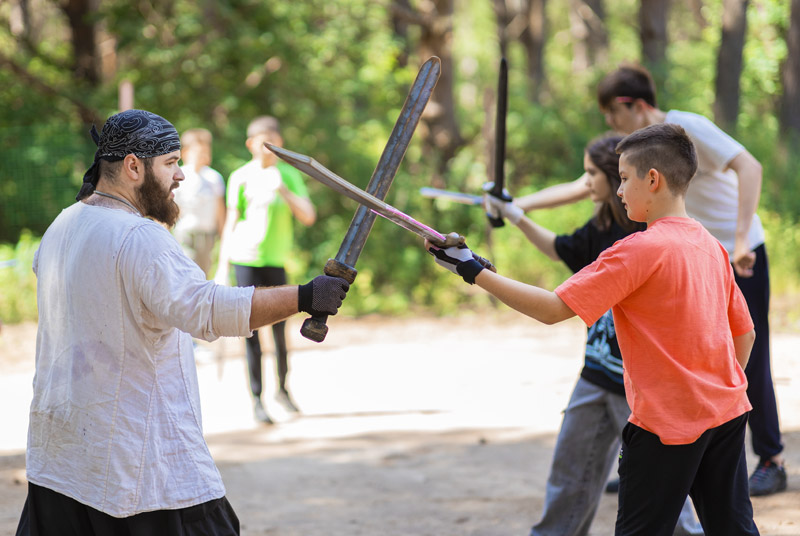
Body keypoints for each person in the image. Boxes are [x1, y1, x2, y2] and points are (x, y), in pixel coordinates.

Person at [16, 109, 349, 536]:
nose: (181, 176)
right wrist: (306, 296)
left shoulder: (62, 225)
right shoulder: (137, 237)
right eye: (171, 163)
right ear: (134, 166)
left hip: (61, 462)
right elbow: (205, 309)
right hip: (136, 470)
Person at [429, 123, 759, 535]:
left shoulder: (638, 249)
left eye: (624, 178)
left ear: (652, 179)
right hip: (726, 414)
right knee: (734, 528)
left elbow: (552, 309)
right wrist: (719, 390)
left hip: (663, 428)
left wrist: (472, 271)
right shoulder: (710, 245)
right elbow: (745, 334)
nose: (619, 191)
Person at [514, 64, 785, 497]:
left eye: (613, 114)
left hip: (735, 249)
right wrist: (515, 205)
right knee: (678, 346)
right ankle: (667, 454)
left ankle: (770, 456)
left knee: (747, 346)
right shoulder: (639, 159)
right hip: (685, 247)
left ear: (636, 106)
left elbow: (749, 167)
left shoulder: (686, 129)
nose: (610, 124)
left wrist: (738, 239)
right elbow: (587, 182)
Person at [485, 135, 702, 536]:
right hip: (595, 372)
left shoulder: (645, 237)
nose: (586, 185)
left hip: (637, 386)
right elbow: (557, 248)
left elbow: (554, 308)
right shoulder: (601, 225)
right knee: (570, 477)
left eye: (592, 175)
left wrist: (476, 273)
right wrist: (515, 214)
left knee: (667, 499)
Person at [215, 116, 316, 424]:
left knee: (281, 331)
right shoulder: (240, 176)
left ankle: (282, 390)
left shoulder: (289, 174)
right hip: (245, 261)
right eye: (262, 143)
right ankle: (257, 399)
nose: (269, 149)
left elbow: (309, 216)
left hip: (275, 262)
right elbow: (231, 221)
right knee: (251, 333)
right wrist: (222, 264)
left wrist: (283, 189)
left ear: (280, 143)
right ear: (251, 144)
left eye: (274, 142)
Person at [173, 128, 226, 278]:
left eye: (206, 151)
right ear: (186, 153)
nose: (203, 156)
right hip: (185, 233)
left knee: (203, 275)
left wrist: (223, 237)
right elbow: (172, 208)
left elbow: (220, 210)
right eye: (198, 152)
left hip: (207, 234)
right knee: (186, 274)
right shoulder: (180, 176)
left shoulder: (214, 178)